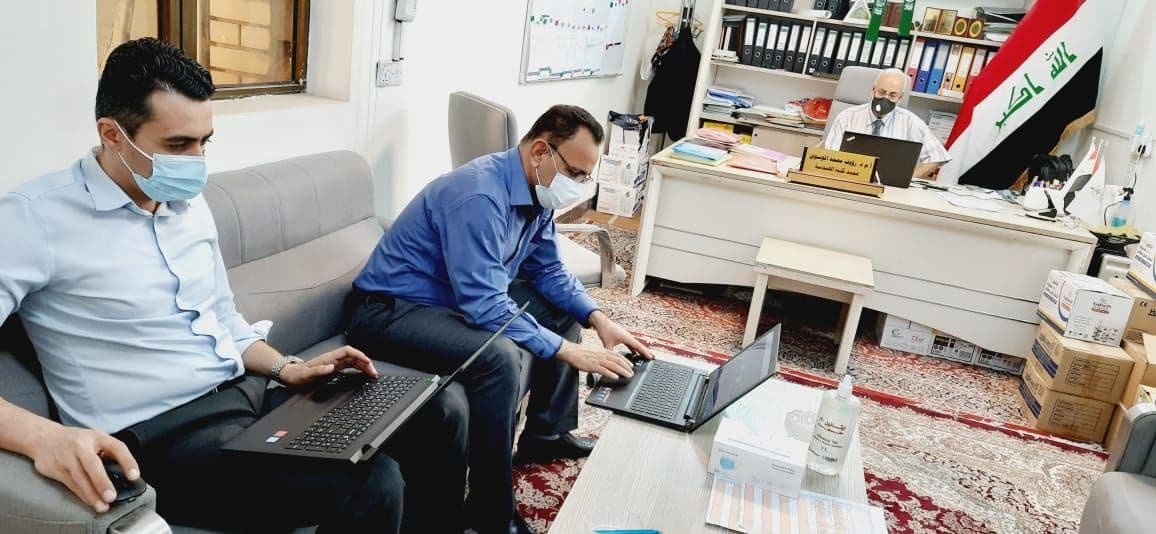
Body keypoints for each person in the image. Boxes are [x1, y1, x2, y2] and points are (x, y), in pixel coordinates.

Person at [0, 38, 468, 533]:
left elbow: (221, 318)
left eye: (205, 142)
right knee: (372, 483)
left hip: (246, 395)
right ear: (112, 134)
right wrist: (42, 438)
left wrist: (289, 368)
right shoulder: (34, 219)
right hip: (162, 438)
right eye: (178, 145)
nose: (196, 161)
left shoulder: (186, 205)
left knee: (440, 407)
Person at [347, 104, 654, 534]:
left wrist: (597, 317)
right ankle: (491, 514)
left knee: (560, 308)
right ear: (540, 151)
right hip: (389, 312)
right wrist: (568, 351)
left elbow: (547, 270)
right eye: (575, 173)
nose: (578, 186)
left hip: (449, 301)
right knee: (500, 357)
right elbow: (485, 305)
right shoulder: (479, 196)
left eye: (585, 177)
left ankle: (546, 434)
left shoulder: (536, 190)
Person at [822, 68, 951, 178]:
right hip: (848, 180)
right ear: (873, 90)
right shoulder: (847, 117)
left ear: (900, 98)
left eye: (892, 95)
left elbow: (938, 156)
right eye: (882, 92)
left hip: (889, 190)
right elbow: (830, 155)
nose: (885, 99)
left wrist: (909, 180)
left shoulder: (910, 122)